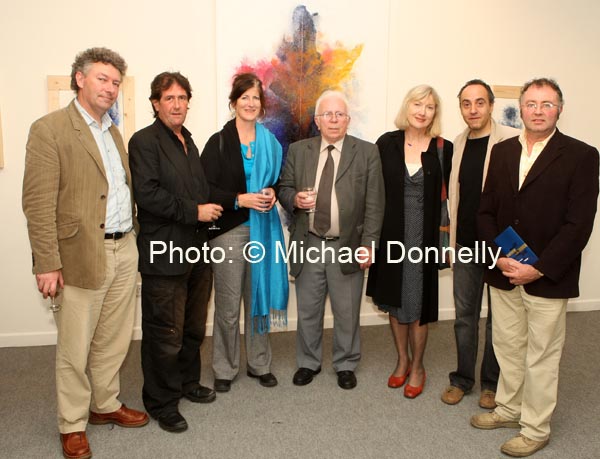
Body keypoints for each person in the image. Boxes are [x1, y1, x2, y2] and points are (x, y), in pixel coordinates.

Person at [22, 47, 148, 459]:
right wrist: (47, 263)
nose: (110, 88)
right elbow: (38, 203)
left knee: (113, 340)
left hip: (123, 247)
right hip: (78, 255)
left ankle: (105, 404)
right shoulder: (50, 129)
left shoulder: (113, 131)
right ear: (79, 79)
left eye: (115, 82)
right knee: (74, 347)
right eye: (102, 79)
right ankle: (71, 423)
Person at [472, 78, 599, 457]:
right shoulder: (503, 150)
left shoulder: (582, 155)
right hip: (504, 268)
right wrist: (500, 255)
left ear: (560, 109)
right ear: (521, 108)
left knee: (542, 354)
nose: (538, 110)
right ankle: (509, 409)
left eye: (547, 104)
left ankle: (535, 428)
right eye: (531, 103)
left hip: (547, 276)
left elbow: (579, 224)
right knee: (508, 347)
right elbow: (486, 210)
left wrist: (539, 268)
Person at [128, 72, 223, 433]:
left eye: (182, 97)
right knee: (164, 331)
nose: (177, 104)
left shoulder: (189, 141)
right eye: (169, 98)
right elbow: (148, 196)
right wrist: (194, 211)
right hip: (164, 251)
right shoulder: (144, 141)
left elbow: (199, 190)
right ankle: (161, 401)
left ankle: (186, 383)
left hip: (196, 251)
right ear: (155, 103)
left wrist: (208, 217)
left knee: (193, 327)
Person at [279, 90, 384, 390]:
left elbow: (375, 203)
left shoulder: (366, 152)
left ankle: (346, 363)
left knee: (347, 310)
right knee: (308, 309)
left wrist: (370, 244)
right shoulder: (299, 151)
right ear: (317, 120)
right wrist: (295, 198)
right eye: (328, 114)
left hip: (348, 244)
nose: (334, 119)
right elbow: (284, 187)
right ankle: (308, 362)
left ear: (348, 120)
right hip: (309, 242)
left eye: (340, 114)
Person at [200, 72, 288, 393]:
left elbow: (279, 180)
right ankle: (224, 368)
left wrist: (273, 192)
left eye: (256, 98)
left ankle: (259, 363)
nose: (250, 103)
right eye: (245, 97)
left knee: (257, 300)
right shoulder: (219, 141)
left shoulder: (271, 142)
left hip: (264, 229)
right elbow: (205, 188)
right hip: (229, 230)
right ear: (234, 102)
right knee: (227, 305)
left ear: (261, 105)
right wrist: (241, 199)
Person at [366, 84, 452, 398]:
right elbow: (373, 193)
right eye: (418, 104)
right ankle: (402, 360)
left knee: (417, 303)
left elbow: (446, 199)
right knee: (393, 299)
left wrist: (446, 245)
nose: (422, 111)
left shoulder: (444, 148)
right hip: (391, 236)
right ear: (408, 106)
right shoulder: (386, 143)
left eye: (429, 107)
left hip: (424, 240)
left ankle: (418, 366)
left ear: (435, 113)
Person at [441, 80, 519, 409]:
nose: (473, 109)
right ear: (460, 107)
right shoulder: (456, 144)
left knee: (499, 318)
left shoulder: (511, 142)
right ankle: (462, 378)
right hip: (466, 244)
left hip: (500, 244)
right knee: (465, 316)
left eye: (480, 103)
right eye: (466, 104)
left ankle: (491, 382)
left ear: (490, 105)